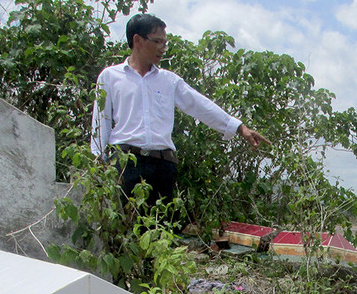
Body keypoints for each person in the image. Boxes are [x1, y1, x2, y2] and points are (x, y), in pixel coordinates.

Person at [90, 13, 269, 205]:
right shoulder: (110, 77)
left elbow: (200, 105)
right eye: (157, 41)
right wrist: (98, 162)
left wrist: (240, 128)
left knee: (161, 231)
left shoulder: (169, 80)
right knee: (124, 230)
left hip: (162, 167)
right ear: (137, 40)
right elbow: (101, 121)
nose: (162, 48)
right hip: (125, 164)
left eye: (165, 43)